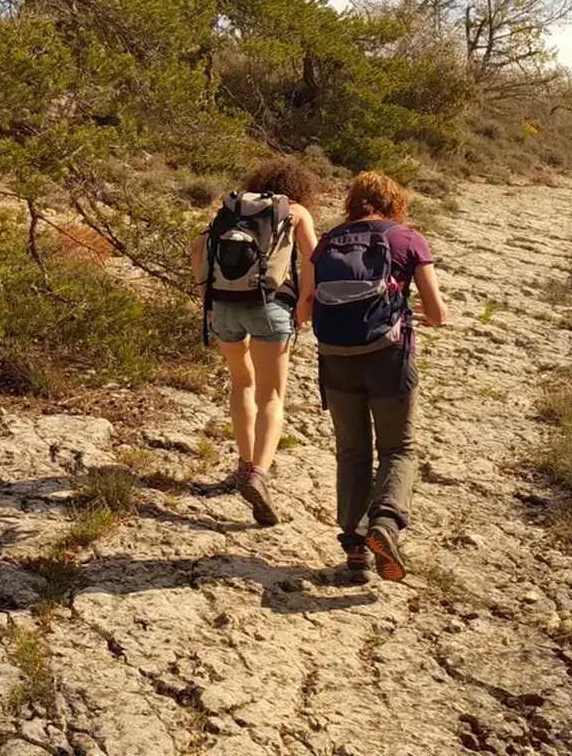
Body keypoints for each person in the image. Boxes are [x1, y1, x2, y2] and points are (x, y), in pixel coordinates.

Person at [309, 171, 447, 582]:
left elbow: (304, 309)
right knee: (398, 450)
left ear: (352, 202)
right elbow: (437, 312)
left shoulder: (327, 242)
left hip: (336, 359)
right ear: (395, 204)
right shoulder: (407, 239)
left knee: (351, 451)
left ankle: (354, 548)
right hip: (390, 357)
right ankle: (385, 525)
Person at [191, 158, 321, 526]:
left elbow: (198, 247)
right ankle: (259, 475)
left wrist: (206, 296)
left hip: (224, 308)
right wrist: (305, 306)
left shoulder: (233, 208)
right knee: (272, 395)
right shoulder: (294, 212)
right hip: (272, 307)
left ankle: (242, 466)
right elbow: (313, 260)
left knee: (242, 383)